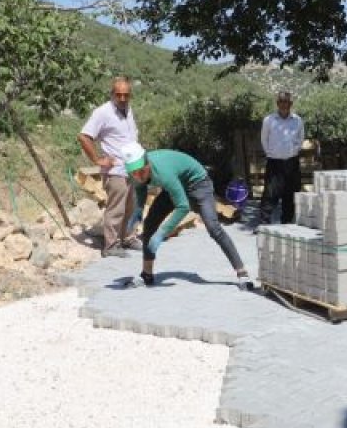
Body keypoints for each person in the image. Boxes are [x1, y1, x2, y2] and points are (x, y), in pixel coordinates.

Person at [121, 143, 254, 291]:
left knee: (213, 227)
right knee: (150, 223)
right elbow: (140, 188)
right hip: (176, 184)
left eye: (141, 171)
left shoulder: (163, 172)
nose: (138, 176)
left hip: (198, 184)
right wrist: (138, 210)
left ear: (147, 162)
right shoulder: (136, 172)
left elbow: (183, 207)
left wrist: (161, 234)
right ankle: (147, 274)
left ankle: (242, 273)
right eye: (134, 173)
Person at [77, 77, 142, 257]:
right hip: (116, 170)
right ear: (112, 94)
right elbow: (84, 136)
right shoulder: (102, 112)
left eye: (126, 95)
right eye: (118, 95)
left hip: (133, 167)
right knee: (116, 208)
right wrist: (97, 159)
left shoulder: (128, 109)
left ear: (130, 95)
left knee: (132, 206)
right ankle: (111, 245)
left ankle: (129, 238)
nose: (122, 98)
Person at [259, 90, 305, 226]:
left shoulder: (297, 120)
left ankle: (287, 222)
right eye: (281, 102)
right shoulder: (269, 120)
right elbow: (264, 139)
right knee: (270, 193)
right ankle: (264, 223)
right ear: (277, 103)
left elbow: (300, 138)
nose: (284, 105)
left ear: (291, 104)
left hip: (292, 162)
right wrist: (271, 153)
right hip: (274, 162)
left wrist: (293, 151)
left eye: (287, 102)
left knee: (290, 192)